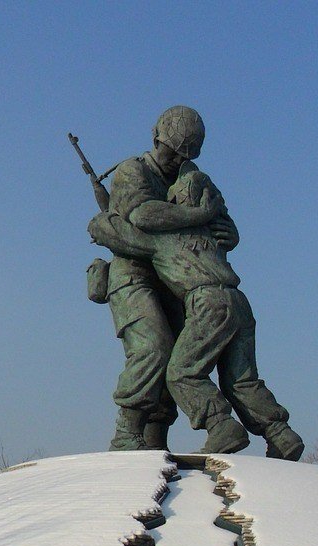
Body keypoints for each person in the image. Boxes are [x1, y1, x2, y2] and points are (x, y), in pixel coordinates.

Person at [89, 164, 304, 460]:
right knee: (242, 379)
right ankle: (280, 434)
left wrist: (101, 223)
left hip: (208, 305)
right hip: (238, 302)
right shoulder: (212, 235)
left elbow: (128, 231)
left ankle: (220, 426)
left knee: (181, 374)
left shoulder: (165, 238)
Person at [98, 106, 237, 451]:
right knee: (152, 346)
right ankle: (127, 433)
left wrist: (225, 231)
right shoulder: (132, 171)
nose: (175, 159)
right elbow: (143, 214)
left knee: (178, 355)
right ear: (155, 137)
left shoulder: (190, 176)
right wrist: (197, 215)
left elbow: (223, 221)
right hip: (132, 273)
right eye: (171, 150)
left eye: (183, 153)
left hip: (175, 277)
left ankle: (154, 437)